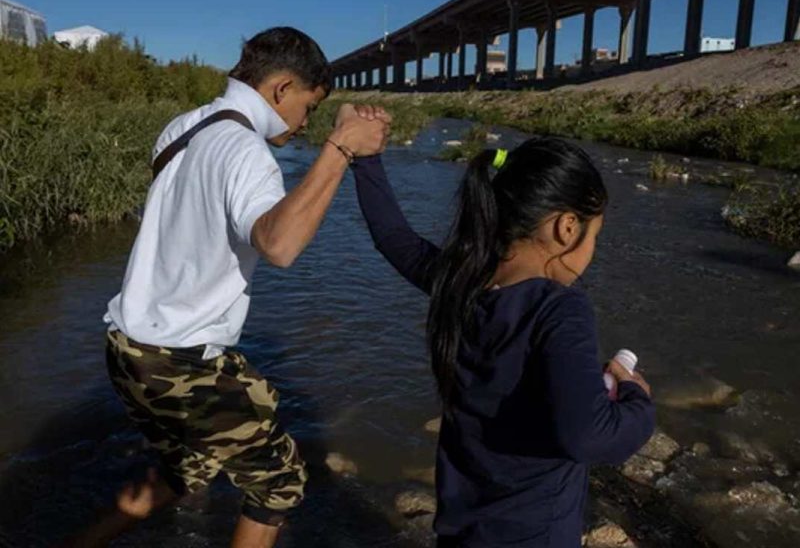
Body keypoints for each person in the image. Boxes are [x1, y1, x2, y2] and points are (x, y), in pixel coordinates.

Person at [65, 28, 391, 548]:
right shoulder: (247, 152)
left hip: (127, 346)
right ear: (282, 88)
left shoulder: (185, 126)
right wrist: (340, 150)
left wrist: (338, 128)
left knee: (183, 472)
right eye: (309, 106)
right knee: (279, 482)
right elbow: (279, 245)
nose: (306, 122)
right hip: (176, 360)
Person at [352, 137, 656, 547]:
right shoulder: (560, 308)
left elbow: (394, 237)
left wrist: (367, 160)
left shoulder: (461, 283)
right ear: (566, 227)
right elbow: (589, 437)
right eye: (594, 235)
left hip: (461, 531)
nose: (592, 251)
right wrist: (637, 400)